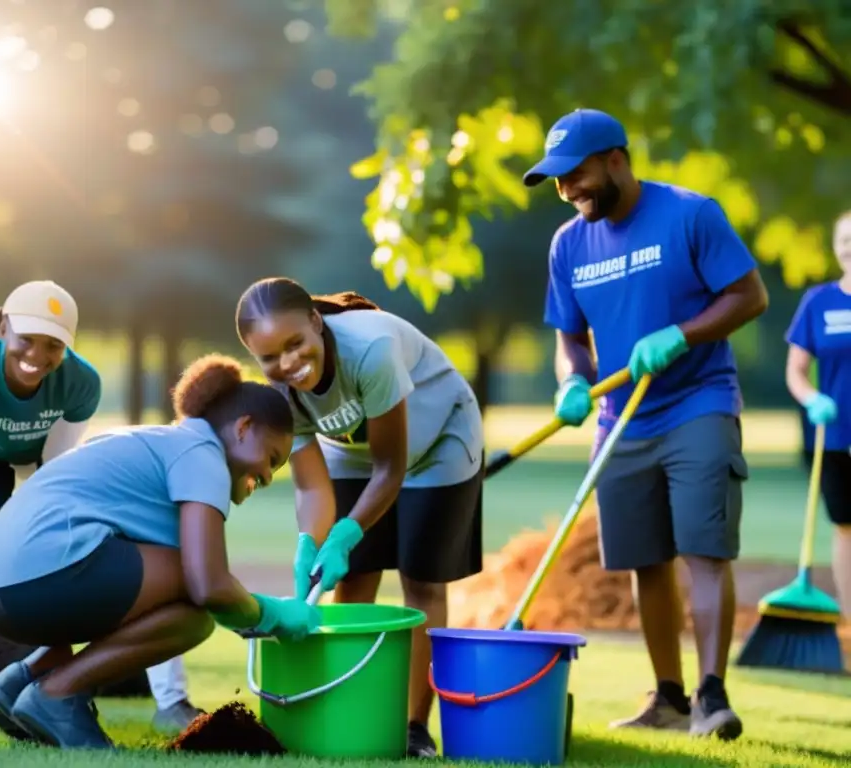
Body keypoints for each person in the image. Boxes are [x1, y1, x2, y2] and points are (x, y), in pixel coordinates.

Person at [523, 108, 769, 740]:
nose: (568, 191)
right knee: (643, 561)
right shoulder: (567, 244)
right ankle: (668, 698)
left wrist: (681, 336)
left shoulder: (690, 213)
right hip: (620, 419)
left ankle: (712, 699)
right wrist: (572, 380)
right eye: (557, 181)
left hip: (699, 403)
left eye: (575, 174)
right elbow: (569, 336)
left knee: (703, 551)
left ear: (615, 159)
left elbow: (749, 296)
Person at [0, 353, 319, 749]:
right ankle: (57, 693)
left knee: (180, 594)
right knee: (196, 611)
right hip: (34, 580)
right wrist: (276, 616)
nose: (268, 477)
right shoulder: (202, 456)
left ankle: (24, 680)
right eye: (271, 458)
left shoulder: (158, 440)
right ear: (243, 427)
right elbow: (208, 584)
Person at [0, 279, 199, 737]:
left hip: (47, 469)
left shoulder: (80, 382)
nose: (37, 355)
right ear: (4, 330)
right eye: (26, 340)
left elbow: (54, 475)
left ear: (67, 348)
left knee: (59, 564)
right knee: (11, 569)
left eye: (52, 346)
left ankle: (46, 679)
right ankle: (41, 679)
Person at [235, 277, 485, 758]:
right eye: (270, 357)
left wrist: (346, 533)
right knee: (354, 576)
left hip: (439, 441)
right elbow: (311, 485)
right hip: (351, 447)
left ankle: (414, 728)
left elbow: (392, 468)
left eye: (296, 345)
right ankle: (347, 702)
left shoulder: (370, 349)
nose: (287, 364)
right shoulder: (280, 388)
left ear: (315, 322)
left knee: (421, 580)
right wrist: (312, 541)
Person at [784, 209, 851, 621]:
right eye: (845, 241)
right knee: (846, 527)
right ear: (836, 248)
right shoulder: (818, 303)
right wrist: (812, 399)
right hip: (833, 436)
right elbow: (795, 370)